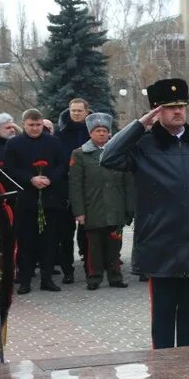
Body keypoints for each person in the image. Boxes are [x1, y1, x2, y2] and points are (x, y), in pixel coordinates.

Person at [100, 78, 189, 349]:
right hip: (160, 246)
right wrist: (138, 126)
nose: (177, 111)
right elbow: (107, 157)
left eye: (181, 106)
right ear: (156, 112)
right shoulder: (143, 146)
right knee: (163, 322)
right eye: (169, 107)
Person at [4, 108, 68, 294]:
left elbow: (61, 165)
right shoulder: (14, 143)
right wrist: (30, 179)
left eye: (38, 125)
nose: (35, 128)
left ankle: (47, 279)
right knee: (26, 242)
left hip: (50, 197)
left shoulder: (54, 142)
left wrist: (50, 179)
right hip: (26, 198)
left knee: (49, 241)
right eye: (31, 125)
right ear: (24, 124)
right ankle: (25, 280)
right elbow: (10, 168)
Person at [69, 113, 135, 290]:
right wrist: (79, 212)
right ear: (90, 133)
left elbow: (128, 183)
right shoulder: (80, 154)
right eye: (97, 131)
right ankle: (94, 277)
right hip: (93, 208)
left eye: (104, 131)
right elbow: (75, 186)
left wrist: (130, 208)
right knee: (94, 247)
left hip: (116, 208)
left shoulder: (119, 153)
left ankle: (115, 276)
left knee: (115, 245)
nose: (101, 134)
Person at [55, 97, 92, 284]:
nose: (76, 113)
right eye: (73, 110)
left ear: (87, 111)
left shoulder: (93, 131)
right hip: (65, 187)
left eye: (79, 110)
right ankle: (67, 269)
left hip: (88, 188)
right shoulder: (60, 133)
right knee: (65, 232)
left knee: (87, 231)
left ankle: (89, 267)